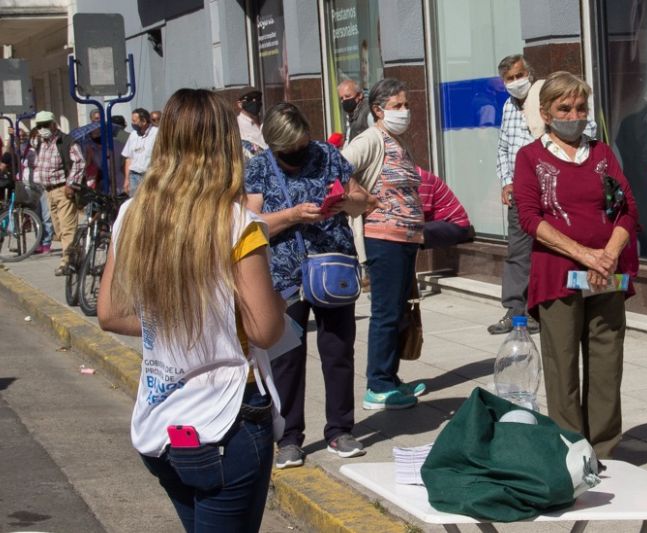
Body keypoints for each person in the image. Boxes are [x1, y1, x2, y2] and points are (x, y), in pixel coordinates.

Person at [97, 88, 286, 532]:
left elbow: (109, 313)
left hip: (160, 420)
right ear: (226, 144)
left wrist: (175, 325)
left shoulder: (131, 214)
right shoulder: (238, 224)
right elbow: (265, 330)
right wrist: (276, 302)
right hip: (226, 420)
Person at [513, 71, 638, 459]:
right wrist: (586, 255)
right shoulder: (530, 157)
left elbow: (628, 209)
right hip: (558, 275)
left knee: (606, 363)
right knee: (562, 365)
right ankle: (571, 449)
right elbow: (530, 218)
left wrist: (608, 255)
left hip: (607, 274)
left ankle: (604, 449)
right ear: (546, 113)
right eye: (564, 108)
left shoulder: (602, 154)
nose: (574, 115)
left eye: (581, 108)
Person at [244, 103, 370, 468]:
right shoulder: (259, 167)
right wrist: (292, 215)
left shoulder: (328, 155)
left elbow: (363, 201)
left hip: (332, 270)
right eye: (289, 150)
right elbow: (250, 224)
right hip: (284, 277)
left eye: (302, 145)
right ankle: (288, 438)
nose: (298, 155)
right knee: (286, 359)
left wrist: (345, 202)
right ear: (274, 145)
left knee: (338, 351)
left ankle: (340, 430)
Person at [491, 54, 597, 335]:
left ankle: (542, 309)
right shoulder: (508, 107)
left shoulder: (548, 97)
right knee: (518, 252)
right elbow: (503, 147)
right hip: (521, 192)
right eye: (510, 79)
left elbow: (587, 130)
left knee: (552, 251)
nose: (516, 82)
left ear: (530, 73)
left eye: (519, 75)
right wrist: (507, 181)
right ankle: (515, 311)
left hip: (553, 190)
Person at [342, 78, 427, 410]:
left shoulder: (398, 140)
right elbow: (338, 168)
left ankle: (389, 378)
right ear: (378, 110)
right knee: (386, 312)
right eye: (396, 106)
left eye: (406, 105)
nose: (404, 111)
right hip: (383, 238)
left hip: (405, 238)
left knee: (397, 311)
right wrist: (363, 198)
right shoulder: (370, 139)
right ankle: (377, 385)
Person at [31, 110, 84, 275]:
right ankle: (78, 256)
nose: (42, 128)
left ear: (54, 124)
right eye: (39, 125)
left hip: (63, 189)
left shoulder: (65, 141)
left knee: (67, 228)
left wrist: (71, 184)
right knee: (59, 230)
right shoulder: (41, 142)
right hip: (48, 191)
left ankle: (66, 263)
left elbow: (79, 162)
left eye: (45, 125)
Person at [417, 167, 474, 249]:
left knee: (410, 232)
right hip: (438, 224)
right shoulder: (404, 179)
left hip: (455, 226)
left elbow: (416, 216)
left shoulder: (420, 179)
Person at [122, 108, 158, 196]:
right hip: (134, 176)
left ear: (144, 121)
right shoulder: (133, 135)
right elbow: (129, 158)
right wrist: (127, 179)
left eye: (134, 121)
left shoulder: (157, 133)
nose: (132, 123)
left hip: (149, 175)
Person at [336, 79, 370, 145]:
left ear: (360, 95)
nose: (344, 100)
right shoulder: (351, 114)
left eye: (347, 96)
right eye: (341, 98)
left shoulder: (368, 111)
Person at [237, 90, 267, 160]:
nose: (254, 102)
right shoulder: (237, 126)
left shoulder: (265, 124)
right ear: (239, 104)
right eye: (249, 99)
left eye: (258, 99)